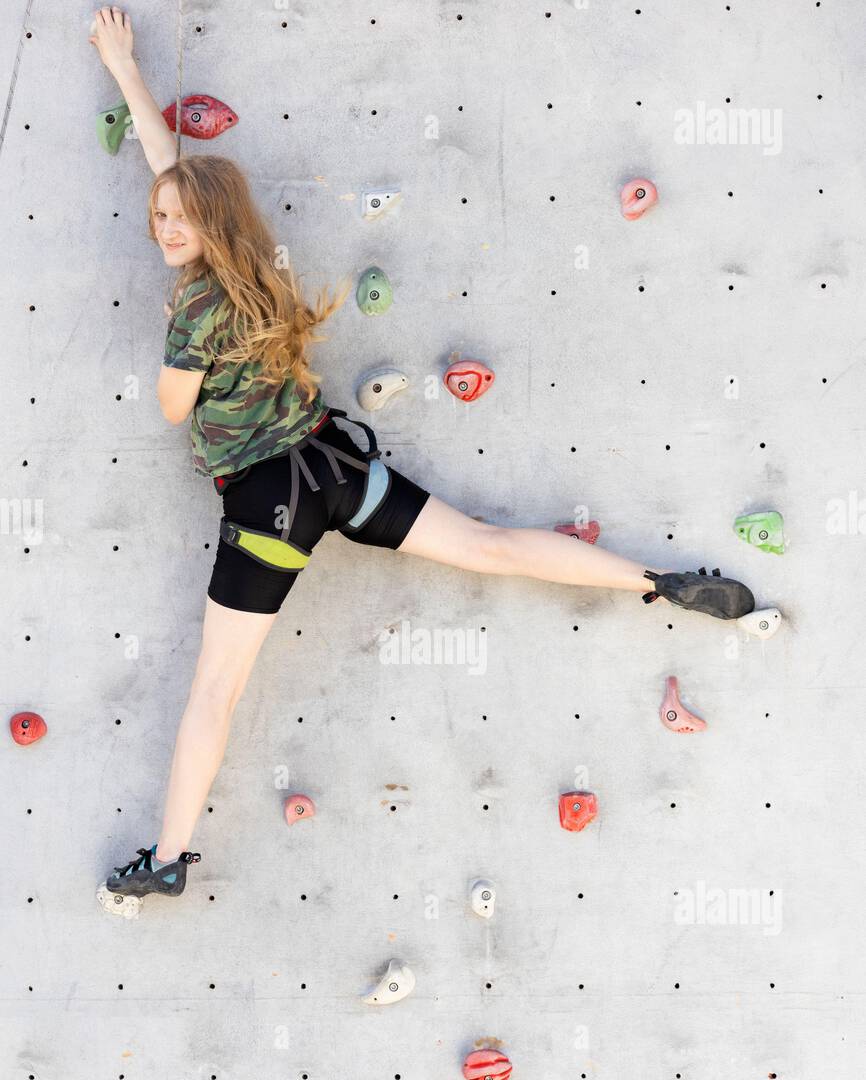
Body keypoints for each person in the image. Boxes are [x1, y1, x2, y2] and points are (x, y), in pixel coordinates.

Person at [90, 7, 756, 917]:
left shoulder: (195, 309)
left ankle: (168, 856)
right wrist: (127, 72)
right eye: (159, 215)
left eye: (176, 220)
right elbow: (178, 173)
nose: (164, 226)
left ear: (206, 225)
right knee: (486, 544)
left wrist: (179, 360)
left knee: (217, 683)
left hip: (268, 504)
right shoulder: (259, 273)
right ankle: (657, 580)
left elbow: (175, 409)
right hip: (332, 468)